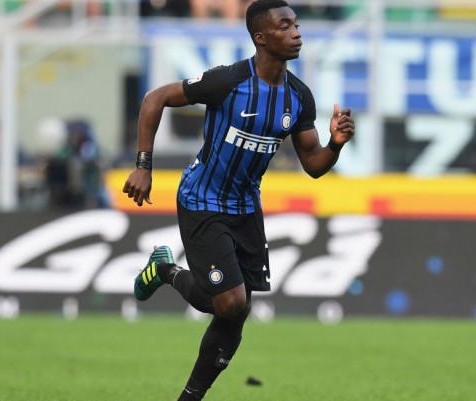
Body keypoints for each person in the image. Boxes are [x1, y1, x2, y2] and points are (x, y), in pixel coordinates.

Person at [122, 1, 355, 400]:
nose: (297, 32)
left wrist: (335, 143)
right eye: (286, 26)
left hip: (246, 208)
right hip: (203, 199)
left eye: (297, 24)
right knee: (230, 302)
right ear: (261, 37)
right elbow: (154, 98)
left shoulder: (299, 97)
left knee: (238, 310)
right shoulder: (228, 81)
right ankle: (165, 271)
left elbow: (314, 165)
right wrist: (143, 165)